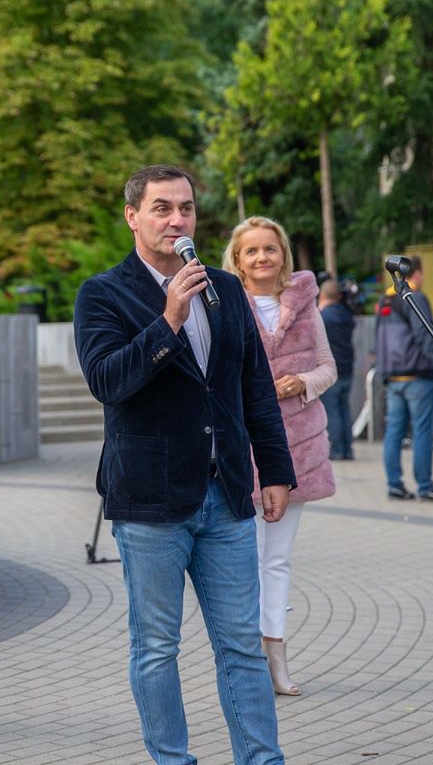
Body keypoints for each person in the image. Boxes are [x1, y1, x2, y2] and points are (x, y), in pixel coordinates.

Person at [74, 165, 296, 765]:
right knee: (156, 648)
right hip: (150, 501)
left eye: (187, 209)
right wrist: (168, 317)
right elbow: (107, 382)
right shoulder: (104, 293)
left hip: (224, 496)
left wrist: (273, 471)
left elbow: (252, 387)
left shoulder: (224, 289)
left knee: (243, 646)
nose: (177, 220)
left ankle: (262, 758)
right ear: (133, 217)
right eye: (163, 208)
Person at [222, 216, 337, 698]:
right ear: (237, 258)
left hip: (299, 451)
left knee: (278, 560)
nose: (262, 258)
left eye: (270, 249)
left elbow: (329, 367)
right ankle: (242, 660)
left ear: (283, 254)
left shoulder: (305, 305)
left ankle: (276, 654)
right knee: (239, 561)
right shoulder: (223, 302)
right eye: (252, 251)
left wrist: (301, 383)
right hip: (239, 446)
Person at [375, 255, 433, 501]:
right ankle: (425, 486)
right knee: (422, 432)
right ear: (416, 273)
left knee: (394, 432)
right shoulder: (414, 297)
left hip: (392, 377)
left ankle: (394, 485)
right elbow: (424, 334)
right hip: (418, 375)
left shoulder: (384, 299)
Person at [318, 279, 357, 460]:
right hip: (347, 367)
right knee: (343, 409)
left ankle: (337, 450)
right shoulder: (346, 315)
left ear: (323, 294)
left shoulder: (323, 317)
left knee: (332, 410)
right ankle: (348, 449)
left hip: (331, 369)